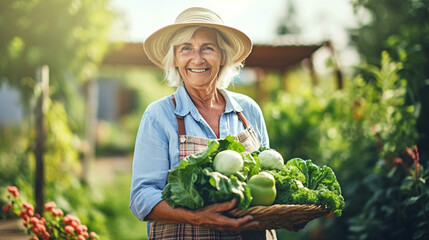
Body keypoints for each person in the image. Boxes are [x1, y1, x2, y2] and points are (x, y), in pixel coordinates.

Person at [130, 7, 276, 239]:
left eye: (208, 48)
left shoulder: (247, 110)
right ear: (175, 59)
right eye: (186, 48)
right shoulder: (159, 115)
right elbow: (142, 197)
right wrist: (197, 216)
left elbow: (271, 177)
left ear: (223, 57)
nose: (197, 58)